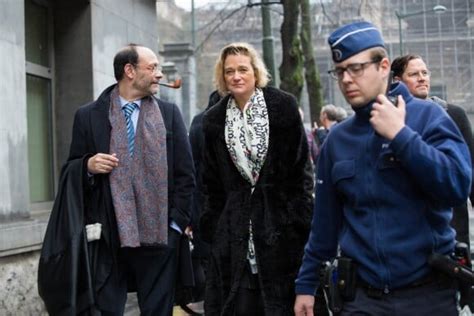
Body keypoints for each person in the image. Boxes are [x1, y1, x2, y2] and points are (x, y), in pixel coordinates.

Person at [294, 21, 471, 316]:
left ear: (384, 66)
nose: (346, 79)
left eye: (356, 68)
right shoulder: (338, 140)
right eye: (340, 72)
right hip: (362, 299)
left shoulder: (428, 117)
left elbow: (456, 186)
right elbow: (325, 223)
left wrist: (402, 137)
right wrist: (306, 283)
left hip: (428, 295)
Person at [65, 43, 195, 315]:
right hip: (108, 236)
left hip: (159, 234)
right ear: (129, 71)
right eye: (152, 67)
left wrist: (175, 225)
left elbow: (186, 175)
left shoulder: (169, 115)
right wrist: (87, 165)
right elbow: (70, 170)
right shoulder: (88, 116)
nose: (159, 74)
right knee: (105, 310)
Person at [200, 42, 314, 316]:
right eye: (229, 72)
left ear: (255, 72)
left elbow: (302, 172)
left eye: (242, 69)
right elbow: (210, 184)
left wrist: (299, 219)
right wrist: (215, 229)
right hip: (234, 235)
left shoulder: (282, 105)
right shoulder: (213, 120)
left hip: (282, 230)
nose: (236, 76)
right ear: (222, 76)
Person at [391, 53, 474, 252]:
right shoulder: (390, 120)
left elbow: (471, 168)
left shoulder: (454, 114)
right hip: (408, 232)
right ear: (397, 81)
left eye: (425, 73)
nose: (422, 78)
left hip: (453, 228)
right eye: (414, 74)